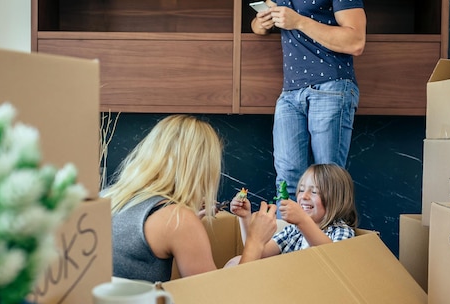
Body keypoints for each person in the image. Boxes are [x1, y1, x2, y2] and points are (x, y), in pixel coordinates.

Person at [100, 115, 278, 283]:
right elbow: (219, 300)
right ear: (202, 169)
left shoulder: (106, 197)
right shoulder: (178, 220)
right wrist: (255, 241)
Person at [251, 0, 366, 201]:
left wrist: (298, 22)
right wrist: (261, 23)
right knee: (286, 181)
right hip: (290, 93)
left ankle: (329, 234)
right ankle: (286, 233)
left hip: (331, 86)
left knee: (327, 180)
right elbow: (257, 27)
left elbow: (355, 41)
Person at [229, 163, 357, 262]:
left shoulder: (342, 231)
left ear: (336, 200)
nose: (304, 196)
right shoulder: (293, 230)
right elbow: (257, 251)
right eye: (301, 190)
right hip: (286, 284)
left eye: (314, 192)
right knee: (236, 262)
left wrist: (303, 221)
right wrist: (245, 217)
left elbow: (335, 261)